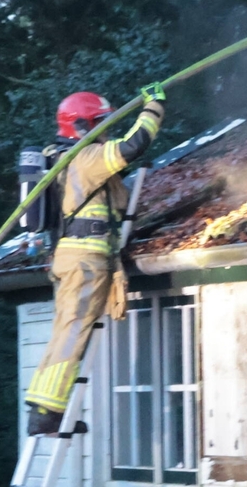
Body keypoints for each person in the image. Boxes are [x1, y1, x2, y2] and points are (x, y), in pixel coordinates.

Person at [25, 84, 166, 435]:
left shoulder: (66, 158)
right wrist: (154, 106)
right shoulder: (84, 159)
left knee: (66, 331)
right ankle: (48, 413)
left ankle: (45, 407)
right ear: (83, 126)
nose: (107, 130)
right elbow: (133, 146)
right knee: (73, 332)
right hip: (85, 259)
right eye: (102, 123)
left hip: (75, 259)